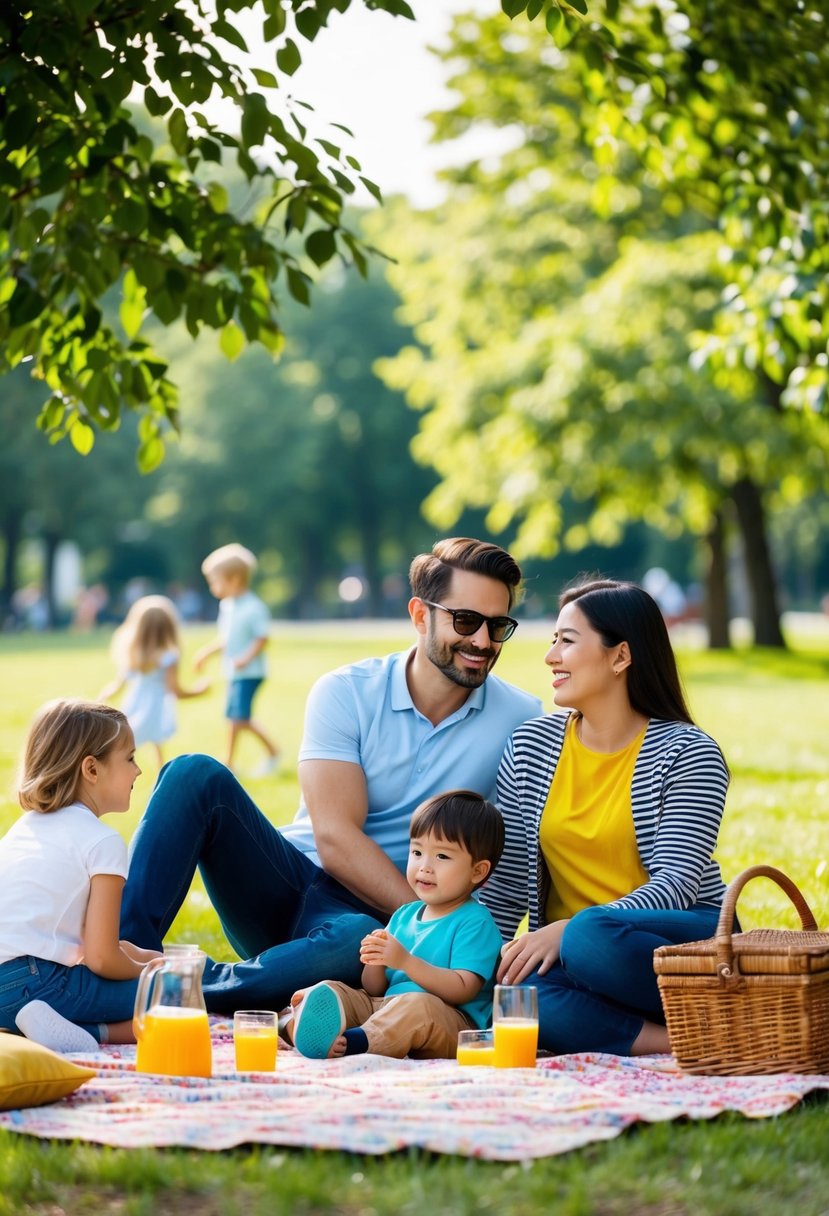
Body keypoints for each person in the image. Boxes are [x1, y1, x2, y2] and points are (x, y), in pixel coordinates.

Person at [119, 537, 543, 1014]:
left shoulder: (522, 719)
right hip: (288, 878)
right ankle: (117, 959)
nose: (483, 642)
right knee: (193, 774)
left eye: (498, 626)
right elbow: (334, 837)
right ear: (421, 616)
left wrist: (435, 935)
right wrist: (416, 920)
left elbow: (515, 854)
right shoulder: (346, 692)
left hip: (372, 926)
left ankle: (170, 983)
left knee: (358, 937)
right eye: (465, 621)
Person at [481, 578, 731, 1058]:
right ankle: (688, 1033)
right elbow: (508, 885)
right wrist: (474, 965)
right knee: (516, 1000)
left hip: (675, 944)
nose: (551, 656)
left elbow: (677, 884)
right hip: (572, 957)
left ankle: (665, 1013)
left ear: (620, 657)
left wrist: (569, 930)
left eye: (567, 641)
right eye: (553, 640)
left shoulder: (688, 753)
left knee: (591, 935)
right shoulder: (529, 747)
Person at [287, 790, 505, 1060]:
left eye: (442, 857)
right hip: (388, 1007)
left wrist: (405, 961)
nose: (424, 867)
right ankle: (302, 1023)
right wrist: (376, 959)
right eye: (417, 851)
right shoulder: (405, 914)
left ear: (478, 871)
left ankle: (355, 1042)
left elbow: (463, 989)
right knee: (337, 990)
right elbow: (375, 989)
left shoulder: (475, 922)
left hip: (451, 1023)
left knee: (417, 1007)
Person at [0, 700, 160, 1052]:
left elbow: (85, 945)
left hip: (6, 987)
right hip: (37, 983)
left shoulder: (22, 829)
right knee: (172, 998)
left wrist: (145, 957)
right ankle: (95, 1034)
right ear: (91, 769)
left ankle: (38, 1026)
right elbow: (101, 958)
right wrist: (156, 975)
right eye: (130, 758)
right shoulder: (101, 841)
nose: (138, 771)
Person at [193, 543, 280, 776]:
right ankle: (232, 760)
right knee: (235, 718)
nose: (212, 587)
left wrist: (245, 658)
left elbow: (262, 638)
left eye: (214, 581)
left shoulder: (253, 607)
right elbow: (226, 639)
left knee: (238, 718)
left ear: (233, 580)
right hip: (235, 672)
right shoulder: (228, 606)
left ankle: (268, 753)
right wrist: (206, 654)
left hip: (250, 672)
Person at [100, 595, 209, 769]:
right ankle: (148, 771)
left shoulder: (133, 654)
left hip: (135, 702)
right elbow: (175, 690)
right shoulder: (168, 657)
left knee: (131, 740)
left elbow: (118, 685)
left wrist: (106, 695)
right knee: (153, 739)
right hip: (156, 705)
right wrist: (199, 691)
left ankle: (124, 769)